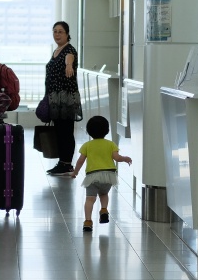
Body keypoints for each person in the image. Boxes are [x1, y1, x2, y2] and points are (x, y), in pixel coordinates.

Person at [70, 115, 132, 232]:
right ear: (107, 130)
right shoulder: (110, 144)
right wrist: (125, 158)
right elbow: (116, 157)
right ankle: (104, 209)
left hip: (92, 176)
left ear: (89, 131)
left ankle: (88, 222)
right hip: (108, 175)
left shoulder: (87, 145)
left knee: (90, 199)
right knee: (103, 194)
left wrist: (75, 172)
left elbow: (80, 161)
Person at [44, 20, 82, 176]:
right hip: (55, 97)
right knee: (60, 131)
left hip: (66, 98)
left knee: (66, 131)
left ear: (67, 34)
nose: (57, 34)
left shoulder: (69, 50)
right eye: (55, 31)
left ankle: (66, 164)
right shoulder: (56, 50)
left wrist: (68, 65)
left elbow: (69, 58)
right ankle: (62, 162)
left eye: (60, 31)